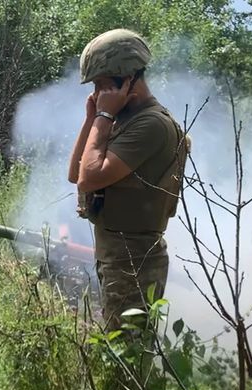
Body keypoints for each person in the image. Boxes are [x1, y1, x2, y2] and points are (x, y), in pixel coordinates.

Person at [67, 28, 189, 333]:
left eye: (102, 84)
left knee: (127, 359)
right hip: (116, 257)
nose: (96, 92)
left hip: (134, 263)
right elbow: (76, 175)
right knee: (118, 354)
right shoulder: (122, 118)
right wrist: (91, 118)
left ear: (128, 78)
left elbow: (88, 179)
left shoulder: (151, 125)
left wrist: (104, 117)